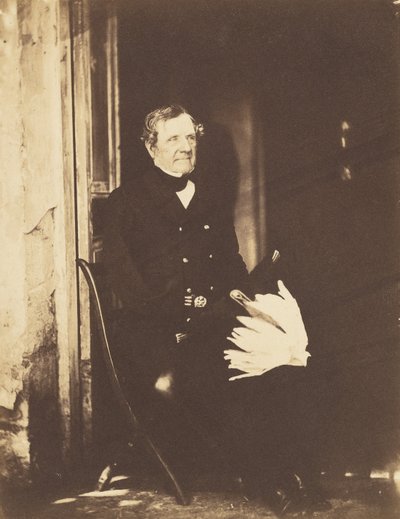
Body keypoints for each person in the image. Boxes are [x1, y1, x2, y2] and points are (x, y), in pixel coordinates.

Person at [103, 104, 330, 515]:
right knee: (224, 372)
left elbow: (230, 262)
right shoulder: (126, 202)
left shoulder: (209, 196)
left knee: (282, 358)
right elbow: (126, 284)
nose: (185, 147)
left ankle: (295, 475)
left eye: (190, 137)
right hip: (152, 332)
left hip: (210, 320)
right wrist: (181, 311)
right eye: (173, 138)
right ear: (151, 147)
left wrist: (244, 297)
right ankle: (272, 484)